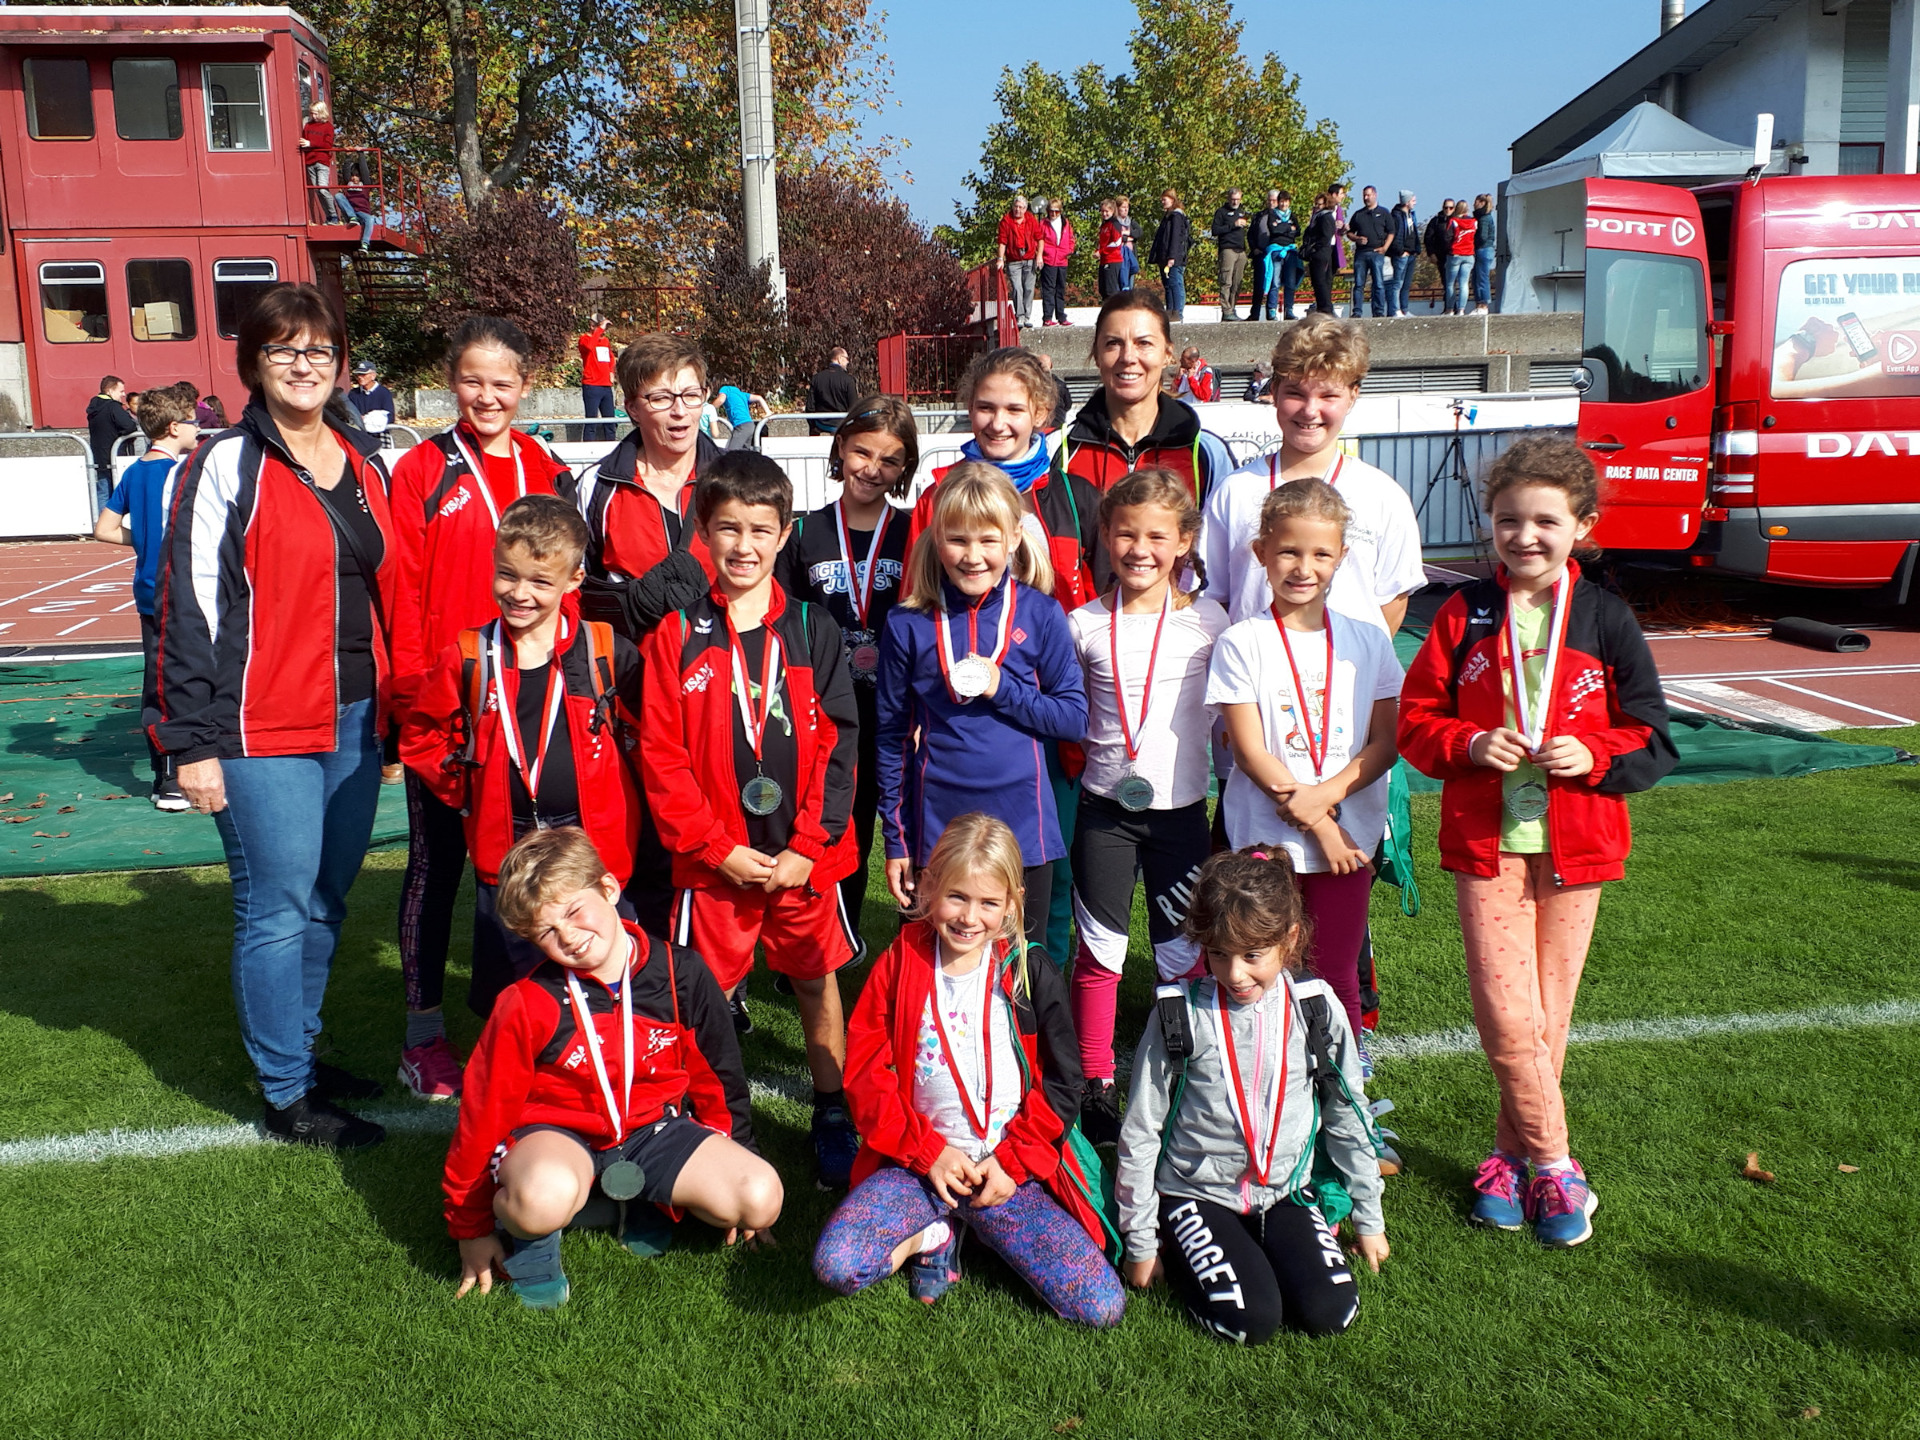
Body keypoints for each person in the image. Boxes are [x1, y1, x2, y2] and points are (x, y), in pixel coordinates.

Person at [1399, 438, 1675, 1246]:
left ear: (1581, 525)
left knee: (1546, 1015)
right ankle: (1557, 1166)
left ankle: (1504, 1158)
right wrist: (1468, 743)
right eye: (1508, 519)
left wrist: (1596, 755)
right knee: (1505, 1016)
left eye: (1545, 521)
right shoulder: (1462, 613)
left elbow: (1653, 736)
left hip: (1576, 847)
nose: (1524, 536)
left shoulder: (1605, 616)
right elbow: (1418, 724)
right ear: (1490, 524)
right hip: (1488, 842)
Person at [155, 282, 396, 1150]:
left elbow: (387, 593)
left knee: (329, 899)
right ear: (255, 363)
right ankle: (287, 1092)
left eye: (320, 349)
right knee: (278, 906)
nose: (305, 364)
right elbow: (187, 608)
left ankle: (301, 1048)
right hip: (261, 729)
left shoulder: (366, 461)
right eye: (286, 349)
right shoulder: (225, 463)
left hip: (357, 719)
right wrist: (190, 743)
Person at [641, 453, 864, 1187]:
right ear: (701, 531)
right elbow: (662, 759)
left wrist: (808, 845)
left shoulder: (811, 627)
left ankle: (831, 1106)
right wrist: (714, 849)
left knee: (814, 979)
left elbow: (838, 742)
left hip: (802, 863)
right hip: (715, 867)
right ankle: (710, 1120)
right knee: (699, 991)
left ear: (784, 533)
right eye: (727, 528)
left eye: (759, 530)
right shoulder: (674, 636)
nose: (743, 545)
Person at [444, 827, 777, 1310]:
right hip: (555, 1135)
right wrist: (468, 1226)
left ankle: (638, 1200)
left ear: (608, 888)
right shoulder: (526, 1002)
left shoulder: (681, 973)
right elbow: (484, 1113)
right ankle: (533, 1235)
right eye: (546, 933)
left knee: (761, 1194)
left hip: (653, 1129)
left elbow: (720, 1078)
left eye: (574, 912)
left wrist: (741, 1153)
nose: (571, 939)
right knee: (540, 1198)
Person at [812, 813, 1126, 1326]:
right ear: (929, 887)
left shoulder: (1029, 969)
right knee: (837, 1266)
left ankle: (977, 1225)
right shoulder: (899, 963)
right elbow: (867, 1076)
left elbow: (1064, 1083)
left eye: (988, 903)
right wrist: (928, 1154)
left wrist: (1013, 1164)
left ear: (1012, 904)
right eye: (956, 896)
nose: (968, 917)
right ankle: (936, 1232)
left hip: (1004, 1172)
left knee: (1101, 1307)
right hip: (917, 1169)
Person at [386, 316, 573, 1093]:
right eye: (472, 380)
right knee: (437, 867)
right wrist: (407, 706)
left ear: (525, 386)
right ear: (449, 381)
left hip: (530, 701)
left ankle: (544, 1019)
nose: (487, 396)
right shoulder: (423, 469)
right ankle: (422, 1035)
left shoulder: (546, 465)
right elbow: (402, 592)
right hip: (448, 703)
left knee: (528, 870)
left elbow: (570, 581)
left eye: (503, 383)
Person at [1114, 847, 1389, 1342]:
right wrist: (1140, 1241)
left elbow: (1348, 1112)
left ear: (1289, 938)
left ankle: (1261, 1246)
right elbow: (1141, 1127)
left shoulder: (1316, 1007)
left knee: (1331, 1313)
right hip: (1196, 1193)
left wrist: (1368, 1217)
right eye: (1217, 954)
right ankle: (1190, 1245)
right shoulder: (1179, 1015)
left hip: (1285, 1191)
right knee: (1249, 1321)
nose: (1235, 973)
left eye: (1252, 956)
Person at [401, 494, 646, 1019]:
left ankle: (608, 1074)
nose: (520, 593)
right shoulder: (469, 655)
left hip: (593, 846)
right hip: (505, 849)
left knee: (605, 972)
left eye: (540, 581)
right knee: (514, 992)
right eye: (508, 575)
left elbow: (653, 737)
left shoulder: (604, 651)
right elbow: (421, 737)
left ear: (574, 581)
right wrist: (468, 789)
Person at [1207, 479, 1403, 1042]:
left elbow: (1385, 743)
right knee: (1254, 964)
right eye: (1289, 550)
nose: (1303, 566)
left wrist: (1329, 799)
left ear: (1342, 556)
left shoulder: (1369, 641)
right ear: (1261, 552)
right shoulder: (1242, 642)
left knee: (1336, 971)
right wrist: (1321, 823)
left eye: (1321, 553)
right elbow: (1248, 752)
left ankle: (1346, 1090)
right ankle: (1251, 1078)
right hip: (1266, 837)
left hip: (1352, 839)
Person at [1067, 471, 1227, 1142]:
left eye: (1157, 536)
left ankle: (1176, 1070)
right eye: (1125, 533)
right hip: (1105, 812)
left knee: (1177, 952)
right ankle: (1095, 1081)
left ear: (1185, 541)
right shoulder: (1082, 624)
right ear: (1105, 536)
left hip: (1182, 815)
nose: (1139, 549)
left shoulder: (1209, 621)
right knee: (1101, 949)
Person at [877, 464, 1086, 954]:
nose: (973, 557)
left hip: (1025, 826)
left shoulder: (1041, 612)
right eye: (958, 541)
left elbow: (1073, 718)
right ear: (936, 540)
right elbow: (890, 738)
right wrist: (896, 840)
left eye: (988, 541)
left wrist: (1002, 687)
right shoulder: (907, 624)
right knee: (932, 963)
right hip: (938, 823)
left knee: (1025, 972)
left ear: (1014, 537)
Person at [778, 396, 918, 941]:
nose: (872, 469)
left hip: (902, 713)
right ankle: (833, 942)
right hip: (830, 715)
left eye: (889, 460)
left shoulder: (914, 533)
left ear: (905, 468)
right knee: (840, 828)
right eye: (862, 452)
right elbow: (789, 625)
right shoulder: (804, 534)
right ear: (840, 448)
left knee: (918, 831)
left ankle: (922, 948)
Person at [1203, 315, 1426, 637]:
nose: (1310, 410)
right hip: (1256, 677)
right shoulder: (1234, 491)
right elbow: (1215, 598)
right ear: (1275, 392)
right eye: (1296, 393)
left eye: (1328, 396)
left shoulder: (1382, 495)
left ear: (1353, 395)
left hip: (1346, 679)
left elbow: (1392, 600)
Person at [910, 347, 1107, 615]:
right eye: (985, 408)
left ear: (1040, 413)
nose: (998, 424)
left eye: (1014, 410)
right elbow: (916, 598)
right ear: (970, 408)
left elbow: (1102, 600)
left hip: (1054, 653)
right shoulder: (939, 495)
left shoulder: (1075, 497)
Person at [567, 332, 722, 654]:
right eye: (661, 398)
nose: (679, 411)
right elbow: (573, 590)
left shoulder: (736, 479)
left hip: (723, 673)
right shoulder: (597, 487)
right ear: (632, 409)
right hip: (632, 680)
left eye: (691, 395)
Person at [92, 385, 199, 812]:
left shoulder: (135, 471)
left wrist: (147, 541)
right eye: (193, 421)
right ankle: (174, 775)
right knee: (187, 683)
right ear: (174, 427)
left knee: (157, 684)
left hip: (151, 593)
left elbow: (103, 528)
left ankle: (167, 774)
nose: (199, 428)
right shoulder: (186, 471)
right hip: (185, 594)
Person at [1057, 289, 1233, 513]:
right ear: (1097, 355)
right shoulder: (1059, 450)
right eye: (1113, 343)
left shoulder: (1207, 454)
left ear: (1168, 354)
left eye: (1144, 343)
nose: (1128, 357)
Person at [86, 375, 139, 505]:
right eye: (121, 391)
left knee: (103, 491)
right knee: (117, 492)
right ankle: (112, 523)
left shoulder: (94, 407)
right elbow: (129, 425)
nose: (123, 394)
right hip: (114, 455)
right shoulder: (113, 407)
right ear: (110, 391)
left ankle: (100, 522)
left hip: (99, 456)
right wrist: (122, 434)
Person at [995, 193, 1044, 331]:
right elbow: (1002, 242)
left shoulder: (1031, 219)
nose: (1018, 210)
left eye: (1021, 207)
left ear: (1025, 208)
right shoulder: (1006, 221)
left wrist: (1039, 255)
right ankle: (1020, 315)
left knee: (1029, 288)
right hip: (1013, 260)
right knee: (1017, 288)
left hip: (1029, 258)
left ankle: (1027, 316)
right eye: (1016, 207)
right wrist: (1000, 259)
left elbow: (1040, 238)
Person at [1250, 190, 1300, 322]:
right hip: (1276, 251)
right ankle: (1272, 310)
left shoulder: (1292, 215)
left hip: (1290, 251)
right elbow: (1274, 230)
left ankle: (1289, 310)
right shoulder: (1272, 214)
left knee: (1290, 282)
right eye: (1281, 201)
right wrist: (1289, 228)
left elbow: (1298, 231)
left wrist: (1282, 227)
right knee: (1275, 281)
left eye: (1286, 201)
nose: (1283, 204)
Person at [1345, 185, 1392, 320]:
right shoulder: (1359, 215)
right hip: (1361, 254)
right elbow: (1349, 233)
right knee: (1359, 284)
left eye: (1368, 195)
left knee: (1378, 283)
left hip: (1377, 252)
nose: (1366, 198)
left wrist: (1385, 248)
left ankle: (1378, 312)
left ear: (1375, 195)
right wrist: (1356, 239)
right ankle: (1357, 311)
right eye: (1364, 195)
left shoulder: (1384, 213)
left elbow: (1391, 232)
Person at [1148, 190, 1191, 322]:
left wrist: (1171, 257)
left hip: (1173, 258)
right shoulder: (1168, 216)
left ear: (1172, 200)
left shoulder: (1176, 216)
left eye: (1165, 199)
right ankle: (1170, 311)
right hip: (1165, 257)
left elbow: (1175, 238)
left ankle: (1177, 312)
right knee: (1168, 285)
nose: (1162, 201)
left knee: (1175, 284)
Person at [1210, 188, 1251, 321]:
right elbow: (1215, 230)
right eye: (1233, 199)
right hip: (1228, 249)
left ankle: (1232, 309)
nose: (1235, 201)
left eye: (1237, 199)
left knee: (1237, 282)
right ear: (1228, 198)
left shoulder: (1243, 211)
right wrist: (1233, 225)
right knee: (1226, 281)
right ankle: (1226, 309)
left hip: (1241, 251)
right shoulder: (1221, 212)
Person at [577, 312, 618, 444]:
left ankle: (612, 448)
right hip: (592, 385)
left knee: (610, 421)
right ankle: (589, 448)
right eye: (600, 326)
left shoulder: (605, 341)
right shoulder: (584, 339)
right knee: (591, 421)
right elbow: (589, 347)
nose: (603, 330)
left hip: (606, 385)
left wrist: (611, 372)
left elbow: (611, 358)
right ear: (592, 325)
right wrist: (599, 329)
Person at [1038, 198, 1077, 327]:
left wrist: (1069, 249)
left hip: (1062, 260)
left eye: (1056, 211)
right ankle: (1047, 317)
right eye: (1051, 211)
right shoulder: (1043, 223)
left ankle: (1061, 316)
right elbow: (1038, 240)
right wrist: (1042, 255)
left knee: (1060, 289)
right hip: (1049, 259)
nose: (1053, 214)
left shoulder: (1065, 223)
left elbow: (1071, 238)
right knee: (1049, 289)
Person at [299, 98, 338, 223]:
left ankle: (334, 216)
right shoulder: (308, 126)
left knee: (322, 188)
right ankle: (329, 217)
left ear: (322, 113)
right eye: (312, 113)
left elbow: (327, 145)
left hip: (321, 161)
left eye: (316, 113)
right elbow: (305, 141)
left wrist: (310, 143)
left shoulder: (328, 127)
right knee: (317, 190)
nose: (313, 116)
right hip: (309, 161)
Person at [1302, 195, 1340, 317]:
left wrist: (1314, 249)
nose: (1317, 207)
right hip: (1316, 254)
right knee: (1317, 281)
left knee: (1321, 281)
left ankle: (1326, 308)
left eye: (1320, 204)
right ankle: (1321, 306)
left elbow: (1326, 236)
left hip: (1321, 253)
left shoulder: (1326, 217)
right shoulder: (1317, 217)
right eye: (1316, 204)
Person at [806, 347, 860, 432]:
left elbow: (810, 407)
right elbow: (854, 407)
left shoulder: (817, 378)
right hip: (842, 426)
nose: (848, 362)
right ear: (839, 359)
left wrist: (814, 427)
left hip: (821, 425)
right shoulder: (848, 380)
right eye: (846, 359)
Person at [1385, 191, 1420, 319]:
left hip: (1411, 254)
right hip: (1401, 255)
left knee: (1406, 284)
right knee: (1397, 283)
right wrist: (1400, 251)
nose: (1415, 202)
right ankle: (1396, 309)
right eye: (1413, 200)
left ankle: (1404, 309)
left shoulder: (1411, 215)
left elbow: (1414, 233)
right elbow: (1395, 235)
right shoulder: (1396, 216)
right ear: (1407, 201)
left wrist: (1416, 250)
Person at [345, 358, 395, 433]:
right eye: (358, 374)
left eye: (363, 374)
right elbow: (348, 413)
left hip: (378, 433)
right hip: (359, 433)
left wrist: (368, 419)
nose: (360, 377)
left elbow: (389, 417)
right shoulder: (353, 394)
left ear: (373, 376)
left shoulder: (384, 393)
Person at [1446, 203, 1478, 317]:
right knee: (1464, 283)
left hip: (1455, 253)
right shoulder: (1474, 222)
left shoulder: (1453, 221)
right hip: (1469, 254)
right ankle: (1461, 310)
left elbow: (1448, 237)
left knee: (1450, 283)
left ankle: (1450, 309)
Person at [1425, 200, 1456, 313]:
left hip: (1455, 255)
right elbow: (1428, 238)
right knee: (1446, 282)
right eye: (1446, 207)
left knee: (1456, 283)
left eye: (1451, 208)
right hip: (1441, 256)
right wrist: (1431, 253)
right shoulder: (1436, 221)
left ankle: (1455, 307)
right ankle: (1448, 307)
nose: (1448, 210)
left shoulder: (1457, 220)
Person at [1472, 193, 1498, 314]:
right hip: (1486, 249)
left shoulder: (1483, 218)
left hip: (1483, 249)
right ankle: (1481, 303)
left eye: (1476, 202)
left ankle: (1483, 304)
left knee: (1481, 277)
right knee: (1479, 277)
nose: (1474, 204)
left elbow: (1482, 237)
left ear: (1482, 203)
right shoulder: (1486, 217)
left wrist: (1472, 241)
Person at [1036, 351, 1073, 433]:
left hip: (1039, 427)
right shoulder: (1060, 384)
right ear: (1051, 365)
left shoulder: (1033, 385)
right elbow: (1068, 404)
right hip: (1058, 427)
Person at [1096, 198, 1126, 300]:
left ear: (1112, 211)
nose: (1104, 214)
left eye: (1107, 211)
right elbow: (1102, 242)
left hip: (1113, 260)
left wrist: (1101, 251)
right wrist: (1098, 250)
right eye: (1102, 211)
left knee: (1110, 290)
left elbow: (1117, 242)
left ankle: (1114, 312)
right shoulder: (1104, 225)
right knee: (1103, 290)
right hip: (1103, 260)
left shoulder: (1114, 224)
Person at [1115, 194, 1140, 293]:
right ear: (1118, 208)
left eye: (1127, 207)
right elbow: (1117, 237)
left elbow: (1139, 232)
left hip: (1130, 257)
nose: (1126, 210)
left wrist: (1126, 233)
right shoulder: (1114, 222)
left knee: (1130, 286)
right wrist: (1129, 238)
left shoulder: (1131, 222)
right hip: (1118, 258)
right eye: (1123, 207)